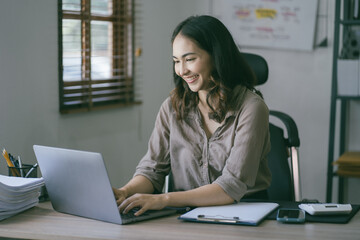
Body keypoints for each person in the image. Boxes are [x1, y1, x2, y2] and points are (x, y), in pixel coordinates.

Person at [113, 15, 271, 216]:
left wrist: (164, 199)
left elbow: (230, 187)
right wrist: (125, 192)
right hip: (186, 214)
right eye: (176, 61)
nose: (181, 70)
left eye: (189, 59)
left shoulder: (252, 108)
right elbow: (152, 170)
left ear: (216, 56)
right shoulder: (172, 107)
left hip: (245, 213)